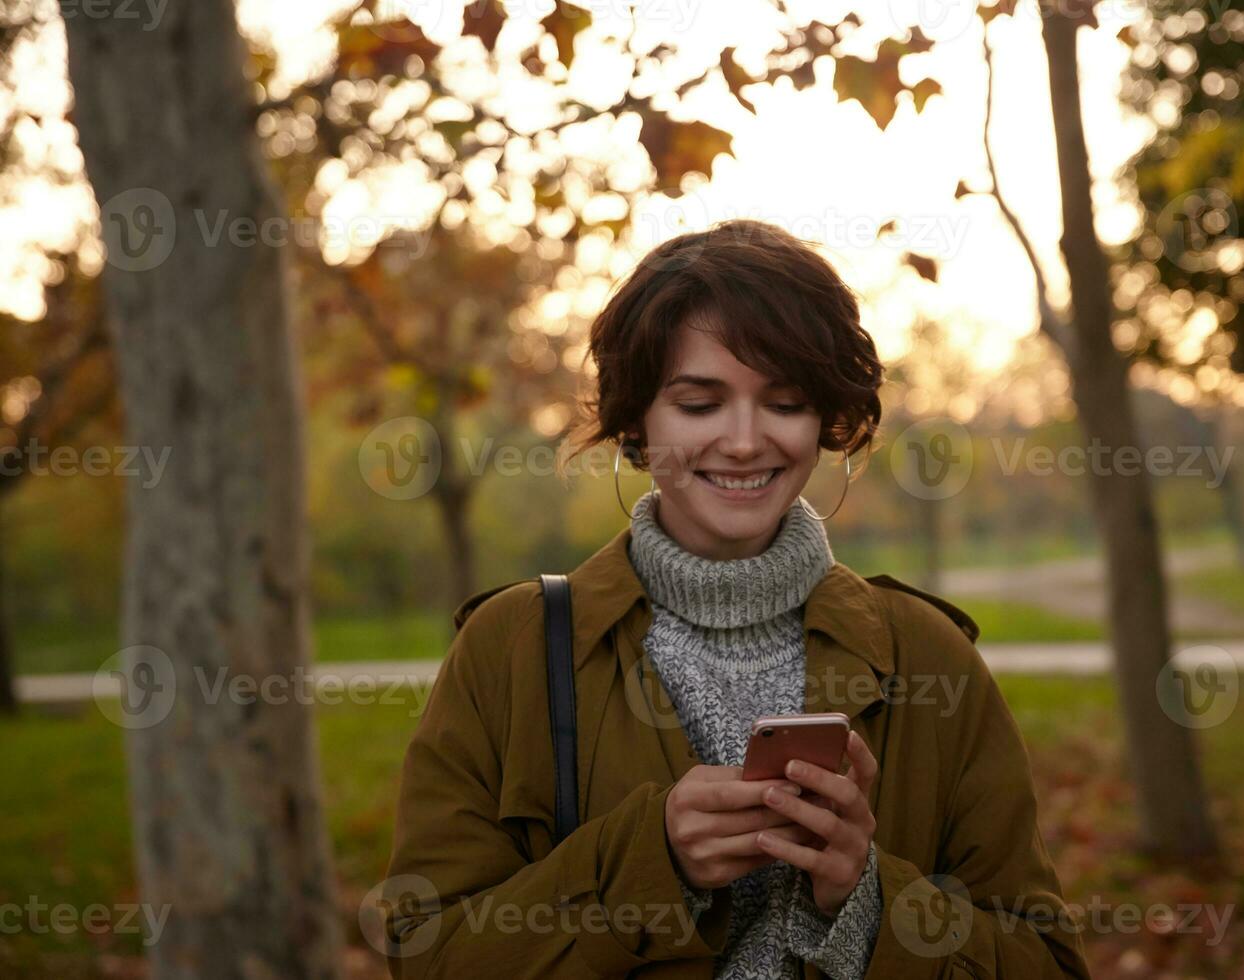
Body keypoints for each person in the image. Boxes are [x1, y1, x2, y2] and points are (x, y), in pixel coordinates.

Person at [383, 219, 1092, 978]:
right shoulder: (511, 647)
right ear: (637, 422)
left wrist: (869, 900)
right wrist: (648, 866)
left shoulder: (929, 654)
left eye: (784, 403)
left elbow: (1044, 963)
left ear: (826, 422)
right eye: (699, 404)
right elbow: (428, 953)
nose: (747, 441)